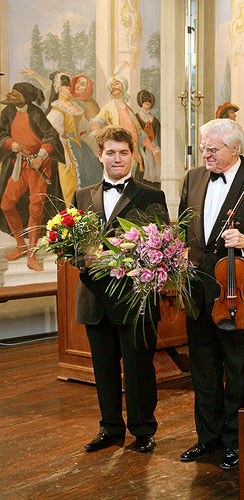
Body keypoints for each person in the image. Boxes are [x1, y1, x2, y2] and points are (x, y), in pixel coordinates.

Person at [178, 119, 244, 470]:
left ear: (235, 149)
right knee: (203, 368)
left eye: (213, 148)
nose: (205, 153)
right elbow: (183, 228)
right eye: (204, 146)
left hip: (236, 293)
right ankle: (206, 438)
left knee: (237, 368)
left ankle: (233, 441)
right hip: (197, 289)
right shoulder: (192, 179)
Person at [72, 125, 168, 455]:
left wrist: (125, 259)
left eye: (123, 153)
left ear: (133, 156)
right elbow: (70, 246)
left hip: (134, 299)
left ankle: (143, 430)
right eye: (110, 152)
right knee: (104, 368)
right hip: (94, 298)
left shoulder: (152, 196)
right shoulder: (81, 196)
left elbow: (161, 247)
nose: (117, 158)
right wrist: (85, 259)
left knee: (139, 369)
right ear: (100, 155)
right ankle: (110, 428)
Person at [0, 82, 64, 271]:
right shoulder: (8, 112)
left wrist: (41, 156)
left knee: (35, 210)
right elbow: (1, 133)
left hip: (38, 166)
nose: (12, 97)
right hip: (19, 164)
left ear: (25, 97)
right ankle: (21, 245)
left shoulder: (36, 113)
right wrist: (13, 145)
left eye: (17, 94)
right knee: (6, 204)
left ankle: (32, 254)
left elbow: (51, 137)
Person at [90, 65, 161, 186]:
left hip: (133, 155)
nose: (114, 87)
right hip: (117, 153)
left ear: (123, 86)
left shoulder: (130, 110)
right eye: (112, 85)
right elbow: (98, 120)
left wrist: (153, 150)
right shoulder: (109, 107)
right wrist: (96, 125)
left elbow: (140, 134)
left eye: (117, 84)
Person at [47, 75, 102, 203]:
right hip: (65, 150)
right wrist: (64, 150)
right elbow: (53, 134)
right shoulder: (57, 109)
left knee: (93, 176)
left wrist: (93, 130)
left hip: (81, 149)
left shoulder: (75, 106)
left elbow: (84, 129)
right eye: (65, 85)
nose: (69, 88)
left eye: (68, 85)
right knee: (71, 184)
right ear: (59, 88)